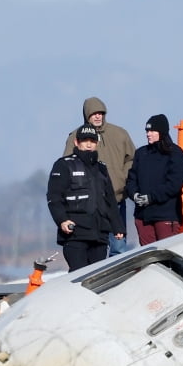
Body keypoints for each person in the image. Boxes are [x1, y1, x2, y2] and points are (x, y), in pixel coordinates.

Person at [62, 97, 135, 254]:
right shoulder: (75, 137)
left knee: (119, 247)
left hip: (116, 200)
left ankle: (120, 278)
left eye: (100, 113)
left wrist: (122, 179)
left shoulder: (120, 134)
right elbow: (66, 165)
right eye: (93, 113)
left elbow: (132, 160)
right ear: (86, 115)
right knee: (93, 251)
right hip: (87, 206)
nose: (97, 116)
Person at [48, 123, 125, 271]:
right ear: (77, 142)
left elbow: (110, 200)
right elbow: (54, 197)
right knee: (78, 277)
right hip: (75, 234)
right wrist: (62, 220)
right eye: (85, 140)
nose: (89, 144)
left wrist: (117, 226)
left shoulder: (102, 168)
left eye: (92, 141)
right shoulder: (64, 165)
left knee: (96, 278)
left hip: (100, 235)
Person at [125, 114, 183, 245]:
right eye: (147, 131)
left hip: (166, 215)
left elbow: (174, 184)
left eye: (152, 131)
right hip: (143, 216)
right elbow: (131, 179)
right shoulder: (141, 153)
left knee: (166, 256)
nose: (148, 134)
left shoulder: (175, 154)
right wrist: (135, 195)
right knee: (148, 260)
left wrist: (151, 197)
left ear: (161, 132)